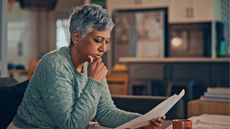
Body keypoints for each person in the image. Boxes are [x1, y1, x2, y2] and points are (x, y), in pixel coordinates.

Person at [7, 4, 165, 129]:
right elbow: (71, 125)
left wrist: (143, 120)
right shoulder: (54, 65)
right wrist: (94, 82)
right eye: (98, 40)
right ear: (76, 37)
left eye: (106, 41)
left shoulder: (92, 64)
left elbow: (105, 112)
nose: (104, 48)